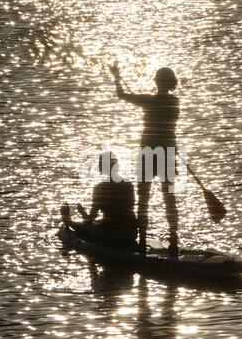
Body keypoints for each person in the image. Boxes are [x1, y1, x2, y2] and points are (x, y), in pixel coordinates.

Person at [110, 63, 180, 256]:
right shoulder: (175, 102)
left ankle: (141, 241)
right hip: (168, 155)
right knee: (169, 198)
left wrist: (116, 76)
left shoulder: (149, 101)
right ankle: (174, 240)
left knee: (143, 199)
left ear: (157, 82)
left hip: (148, 154)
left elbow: (121, 95)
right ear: (172, 83)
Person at [61, 152, 138, 246]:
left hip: (111, 234)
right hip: (132, 233)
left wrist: (81, 212)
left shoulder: (99, 188)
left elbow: (90, 219)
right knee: (97, 223)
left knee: (86, 226)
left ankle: (67, 220)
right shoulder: (129, 185)